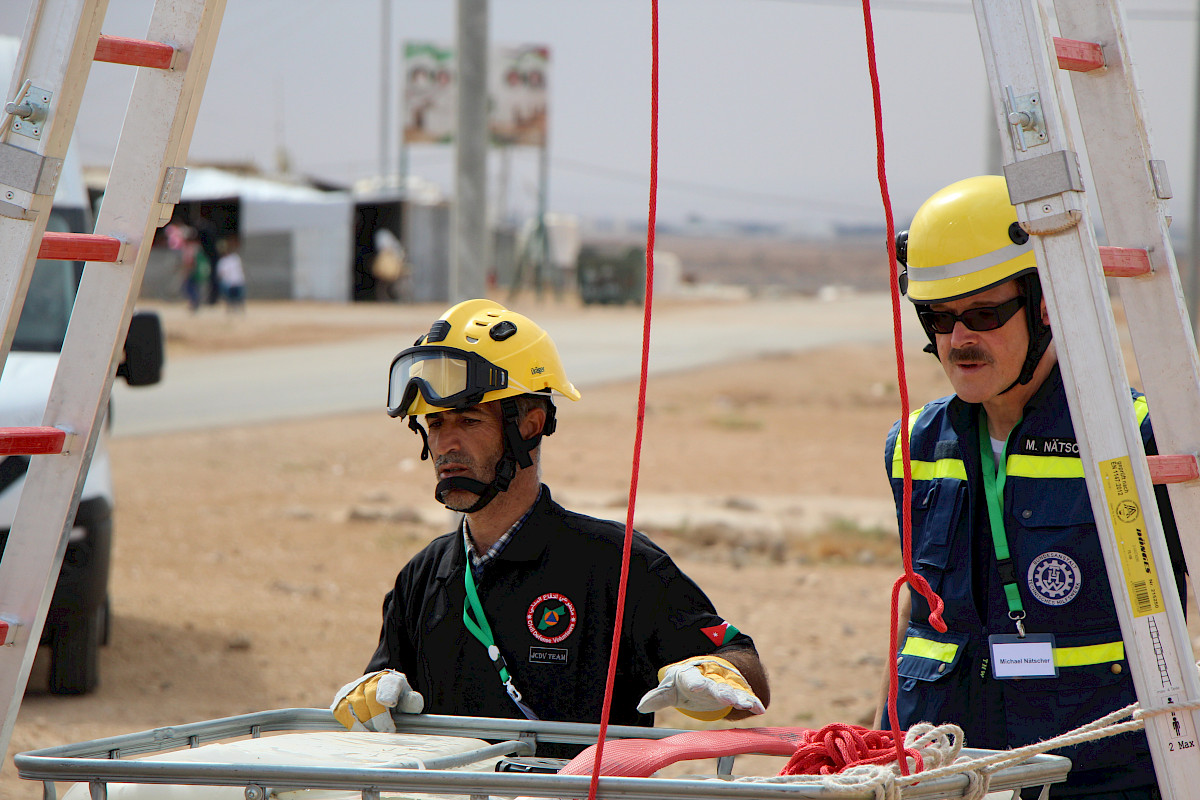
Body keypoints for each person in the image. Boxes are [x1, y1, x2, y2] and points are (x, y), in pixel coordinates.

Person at [332, 299, 769, 748]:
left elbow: (746, 673)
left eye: (468, 420)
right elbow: (381, 698)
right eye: (436, 423)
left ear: (529, 426)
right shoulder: (421, 578)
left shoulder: (616, 566)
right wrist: (371, 694)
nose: (446, 444)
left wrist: (715, 676)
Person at [875, 176, 1185, 799]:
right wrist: (881, 750)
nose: (959, 340)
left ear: (1049, 304)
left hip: (1104, 777)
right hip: (950, 772)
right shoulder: (913, 447)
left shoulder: (1138, 440)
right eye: (938, 319)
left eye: (985, 315)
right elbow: (924, 624)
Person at [215, 235, 246, 312]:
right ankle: (234, 309)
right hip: (232, 281)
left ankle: (236, 309)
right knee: (234, 298)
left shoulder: (233, 258)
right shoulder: (233, 258)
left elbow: (220, 274)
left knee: (235, 297)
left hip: (235, 281)